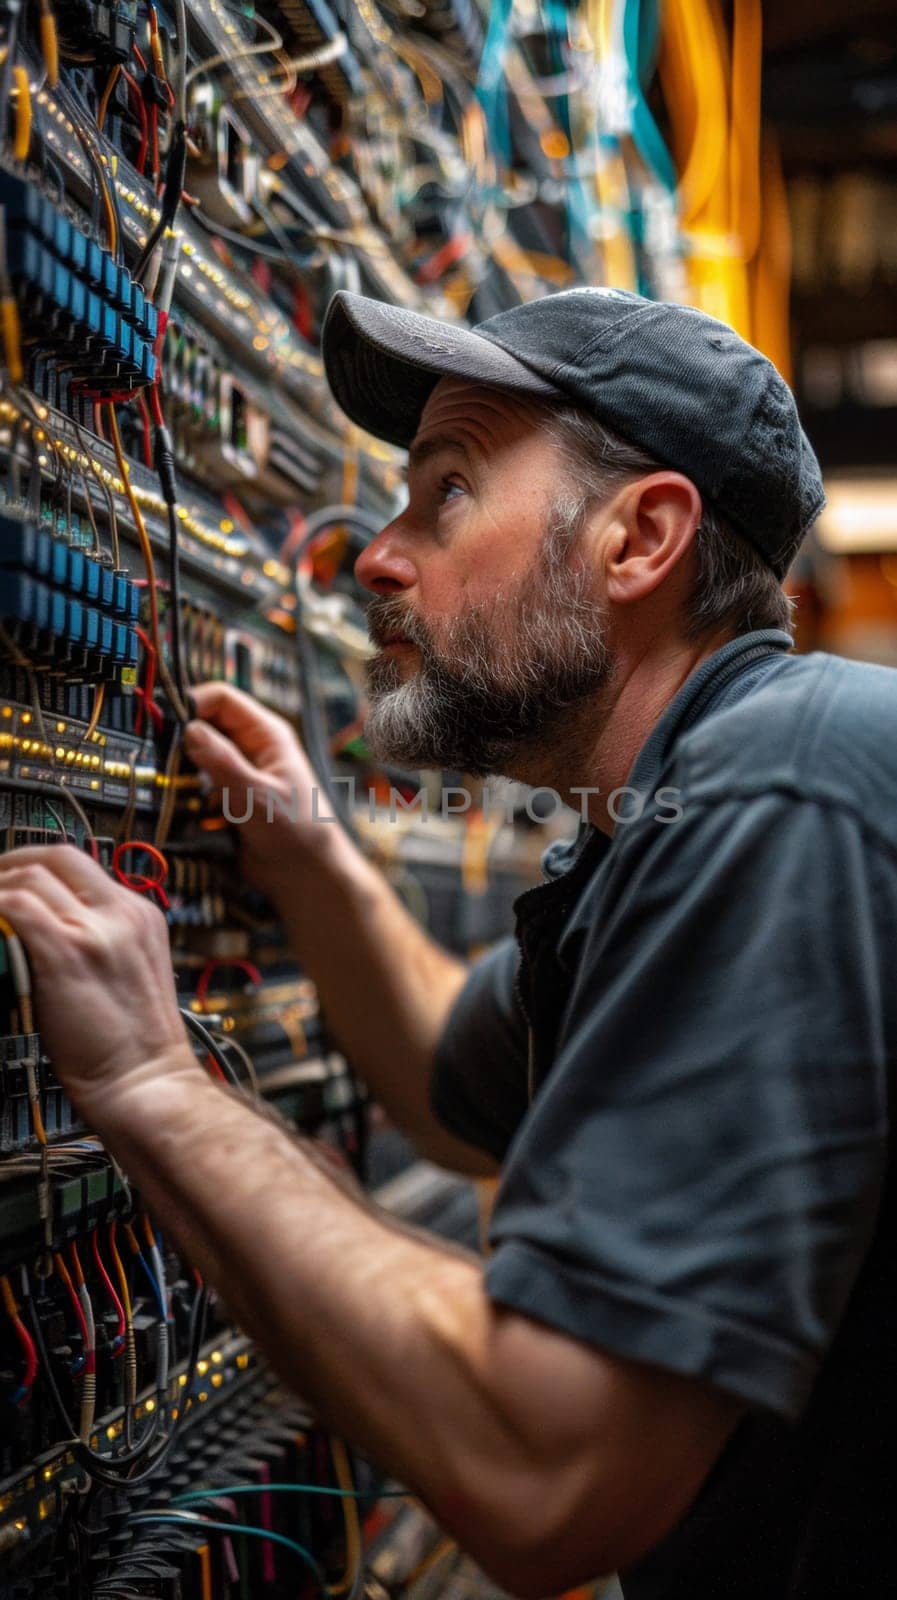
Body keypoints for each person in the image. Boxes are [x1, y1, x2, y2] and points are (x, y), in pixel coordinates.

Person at [1, 288, 894, 1599]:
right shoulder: (679, 812)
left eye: (449, 491)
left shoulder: (776, 790)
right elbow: (450, 1084)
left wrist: (153, 1088)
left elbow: (549, 1472)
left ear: (638, 538)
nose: (376, 554)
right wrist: (314, 861)